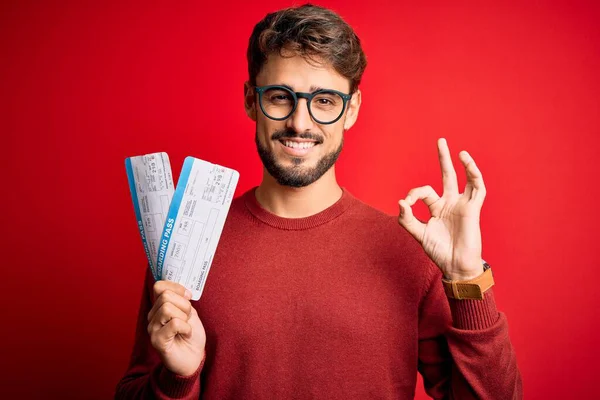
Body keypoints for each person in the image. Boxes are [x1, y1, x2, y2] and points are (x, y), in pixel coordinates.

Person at [115, 4, 522, 399]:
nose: (301, 122)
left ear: (352, 109)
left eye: (324, 101)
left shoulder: (412, 252)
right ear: (250, 100)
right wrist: (177, 379)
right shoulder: (184, 246)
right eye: (279, 96)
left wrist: (469, 279)